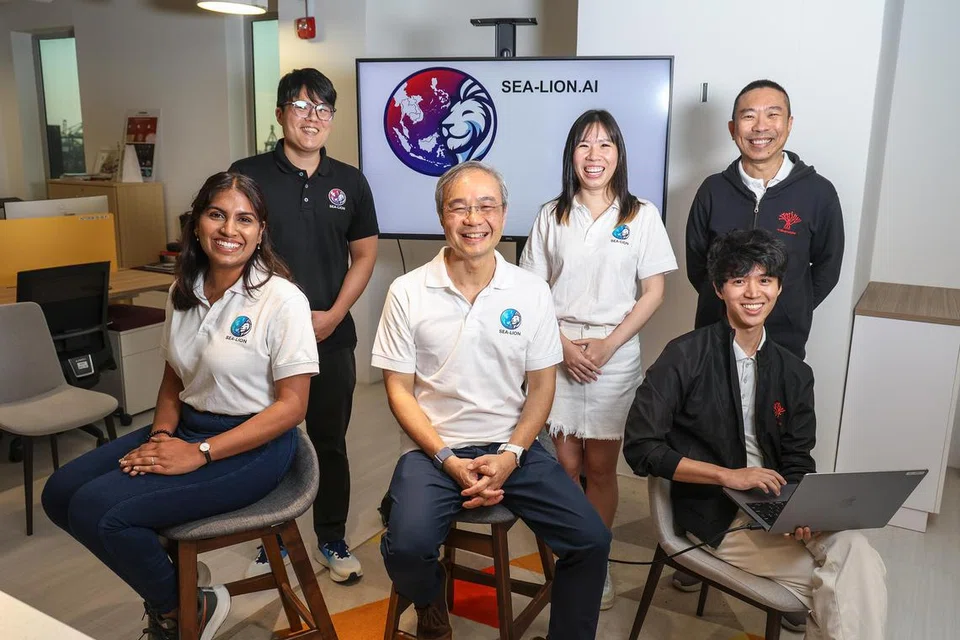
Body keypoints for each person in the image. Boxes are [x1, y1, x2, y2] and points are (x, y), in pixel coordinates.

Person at [41, 172, 320, 640]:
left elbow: (292, 407)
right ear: (196, 224)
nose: (229, 229)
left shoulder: (281, 299)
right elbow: (174, 377)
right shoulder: (183, 290)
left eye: (244, 219)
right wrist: (161, 437)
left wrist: (199, 453)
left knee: (101, 511)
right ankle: (184, 591)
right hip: (188, 426)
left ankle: (180, 607)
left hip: (254, 446)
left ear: (261, 231)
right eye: (216, 215)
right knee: (60, 493)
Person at [373, 161, 611, 640]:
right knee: (407, 549)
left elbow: (542, 387)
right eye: (459, 207)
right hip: (432, 449)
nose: (473, 219)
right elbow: (398, 388)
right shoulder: (407, 291)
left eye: (486, 206)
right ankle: (430, 598)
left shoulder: (530, 290)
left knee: (591, 540)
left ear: (503, 214)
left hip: (513, 447)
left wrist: (511, 455)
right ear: (441, 216)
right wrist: (445, 459)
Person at [623, 229, 887, 638]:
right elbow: (641, 448)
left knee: (857, 552)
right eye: (738, 280)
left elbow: (798, 458)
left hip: (776, 506)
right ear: (719, 289)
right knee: (847, 585)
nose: (753, 293)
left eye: (765, 280)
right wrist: (727, 476)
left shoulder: (794, 373)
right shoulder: (684, 356)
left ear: (779, 288)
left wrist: (804, 511)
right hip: (715, 513)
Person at [519, 109, 677, 609]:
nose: (594, 155)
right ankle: (573, 557)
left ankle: (596, 562)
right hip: (557, 348)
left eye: (605, 144)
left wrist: (608, 344)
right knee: (565, 464)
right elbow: (531, 291)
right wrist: (563, 346)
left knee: (602, 467)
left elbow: (654, 292)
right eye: (584, 145)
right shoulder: (551, 214)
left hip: (615, 354)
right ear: (571, 155)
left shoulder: (641, 214)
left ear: (618, 154)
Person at [230, 68, 379, 583]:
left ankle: (331, 538)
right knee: (270, 439)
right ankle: (273, 537)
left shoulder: (350, 181)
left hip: (330, 336)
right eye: (300, 106)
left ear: (331, 118)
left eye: (322, 109)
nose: (311, 117)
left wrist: (334, 314)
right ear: (280, 114)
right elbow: (232, 248)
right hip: (264, 338)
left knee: (329, 441)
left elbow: (364, 255)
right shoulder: (247, 176)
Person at [685, 79, 844, 361]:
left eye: (772, 114)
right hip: (715, 337)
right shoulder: (712, 190)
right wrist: (728, 305)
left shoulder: (819, 193)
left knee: (779, 393)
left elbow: (827, 269)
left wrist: (792, 306)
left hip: (784, 342)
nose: (760, 127)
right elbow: (698, 265)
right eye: (749, 116)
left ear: (789, 123)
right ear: (733, 128)